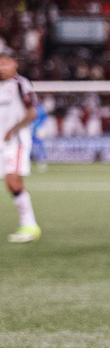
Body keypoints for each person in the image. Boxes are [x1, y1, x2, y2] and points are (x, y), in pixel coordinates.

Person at [0, 49, 42, 244]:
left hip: (14, 142)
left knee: (13, 181)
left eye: (6, 63)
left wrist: (13, 130)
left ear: (15, 64)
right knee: (12, 183)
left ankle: (29, 225)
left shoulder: (21, 85)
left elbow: (32, 113)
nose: (2, 67)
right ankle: (29, 225)